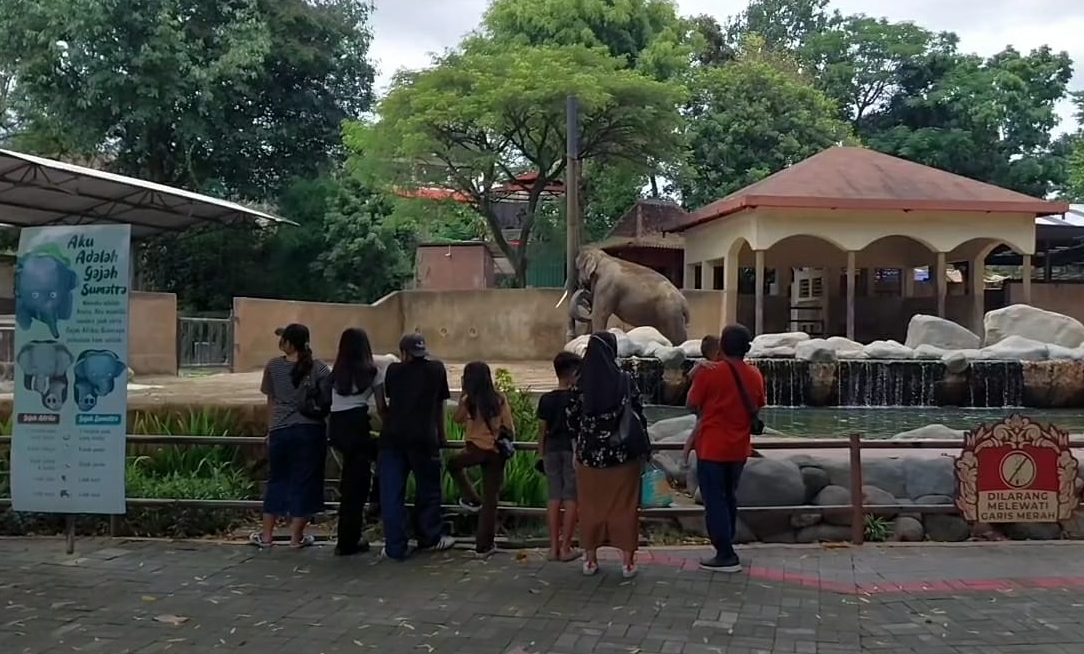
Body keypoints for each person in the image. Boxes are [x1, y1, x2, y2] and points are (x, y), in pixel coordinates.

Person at [567, 331, 648, 578]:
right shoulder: (624, 380)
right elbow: (638, 414)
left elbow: (572, 420)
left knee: (590, 507)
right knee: (624, 507)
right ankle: (627, 563)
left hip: (589, 457)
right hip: (623, 457)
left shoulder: (579, 383)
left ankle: (590, 560)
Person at [685, 324, 765, 573]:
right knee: (729, 496)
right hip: (739, 448)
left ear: (722, 346)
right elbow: (758, 404)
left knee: (714, 500)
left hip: (711, 447)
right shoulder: (755, 374)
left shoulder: (710, 373)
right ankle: (728, 543)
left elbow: (691, 404)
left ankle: (724, 553)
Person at [251, 323, 331, 549]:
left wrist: (270, 429)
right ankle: (296, 538)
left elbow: (271, 400)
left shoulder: (273, 366)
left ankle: (267, 536)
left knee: (277, 480)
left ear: (287, 343)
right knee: (306, 482)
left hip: (280, 430)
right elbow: (327, 401)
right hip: (310, 430)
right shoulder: (320, 369)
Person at [377, 333, 456, 560]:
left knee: (392, 494)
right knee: (428, 490)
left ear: (403, 353)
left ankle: (395, 547)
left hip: (392, 438)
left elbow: (390, 402)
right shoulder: (436, 370)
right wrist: (442, 435)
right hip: (423, 438)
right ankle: (430, 537)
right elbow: (439, 405)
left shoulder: (393, 371)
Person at [327, 328, 384, 556]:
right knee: (357, 484)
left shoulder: (334, 373)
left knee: (349, 482)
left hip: (337, 428)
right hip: (358, 426)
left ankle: (347, 537)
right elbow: (381, 407)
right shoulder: (372, 372)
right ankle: (349, 539)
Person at [448, 361, 514, 556]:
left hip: (475, 449)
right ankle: (484, 545)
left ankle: (471, 498)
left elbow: (457, 419)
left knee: (453, 464)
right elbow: (509, 427)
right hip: (495, 453)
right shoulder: (499, 399)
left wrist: (462, 395)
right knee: (491, 499)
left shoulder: (469, 401)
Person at [537, 351, 582, 562]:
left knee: (554, 497)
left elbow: (541, 429)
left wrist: (540, 452)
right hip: (571, 450)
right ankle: (566, 547)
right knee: (571, 497)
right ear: (573, 373)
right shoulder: (577, 398)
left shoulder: (546, 399)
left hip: (551, 450)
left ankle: (553, 548)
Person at [682, 335, 722, 463]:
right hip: (702, 405)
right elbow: (688, 377)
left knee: (696, 431)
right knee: (696, 431)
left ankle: (685, 458)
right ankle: (684, 459)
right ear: (717, 351)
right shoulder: (702, 364)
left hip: (706, 403)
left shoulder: (715, 365)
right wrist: (699, 366)